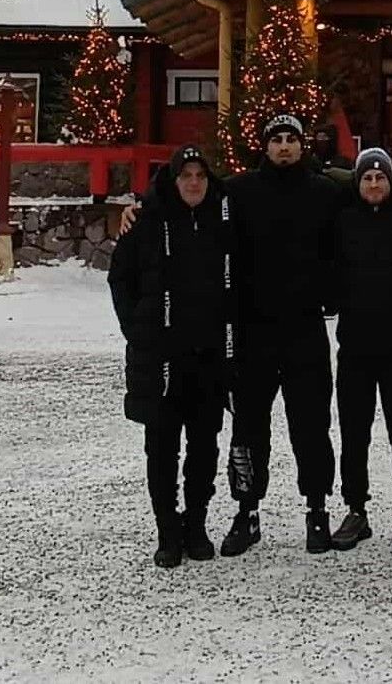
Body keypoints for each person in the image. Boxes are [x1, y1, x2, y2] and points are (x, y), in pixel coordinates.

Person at [220, 115, 344, 557]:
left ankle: (317, 507)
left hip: (304, 328)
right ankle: (246, 510)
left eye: (292, 139)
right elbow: (184, 191)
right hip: (253, 330)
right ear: (265, 146)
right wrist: (139, 207)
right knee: (248, 427)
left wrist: (331, 293)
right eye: (277, 140)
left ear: (302, 144)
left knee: (311, 424)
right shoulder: (238, 191)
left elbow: (346, 238)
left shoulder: (324, 192)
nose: (285, 146)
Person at [110, 145, 236, 567]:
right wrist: (137, 329)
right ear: (173, 180)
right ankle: (167, 529)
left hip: (208, 355)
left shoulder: (224, 220)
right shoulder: (146, 221)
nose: (194, 183)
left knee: (204, 447)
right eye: (186, 176)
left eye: (201, 175)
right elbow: (120, 278)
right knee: (162, 449)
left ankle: (195, 523)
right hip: (162, 357)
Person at [330, 147, 392, 550]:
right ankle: (356, 507)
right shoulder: (343, 221)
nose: (374, 184)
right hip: (354, 347)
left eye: (381, 178)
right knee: (354, 433)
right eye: (367, 178)